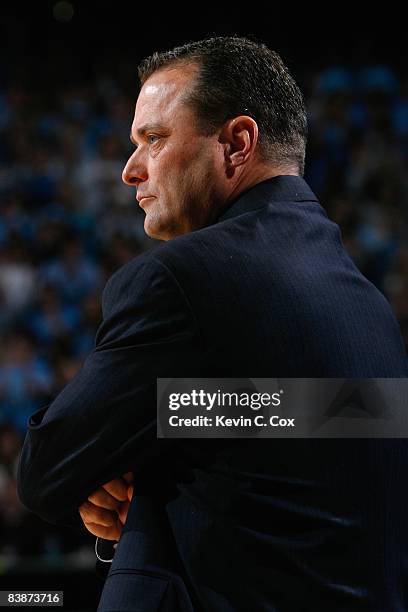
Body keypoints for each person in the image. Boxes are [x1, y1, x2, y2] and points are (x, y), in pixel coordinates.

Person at [18, 37, 407, 611]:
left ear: (237, 144)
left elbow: (46, 470)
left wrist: (131, 443)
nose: (129, 171)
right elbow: (290, 419)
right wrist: (175, 419)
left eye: (153, 138)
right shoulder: (372, 307)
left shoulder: (178, 280)